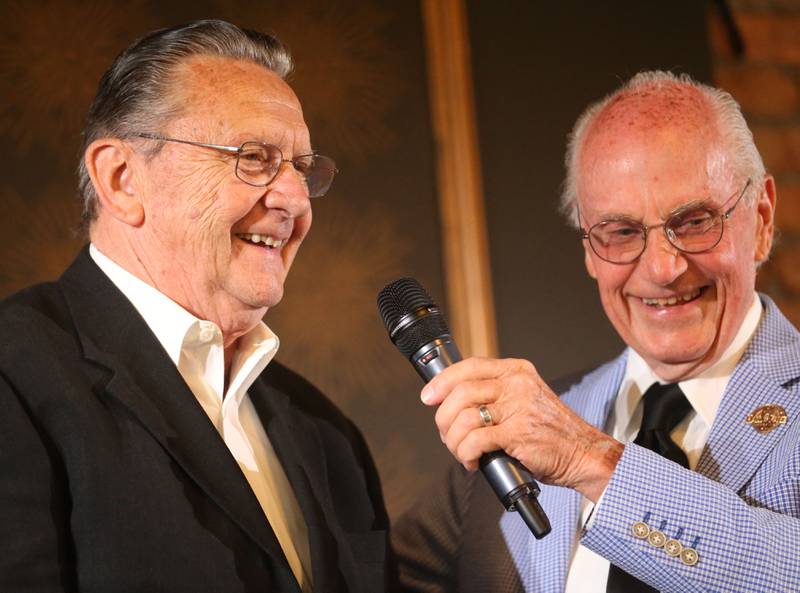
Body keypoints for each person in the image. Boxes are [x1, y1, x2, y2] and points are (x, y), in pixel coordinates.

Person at [0, 20, 393, 593]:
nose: (292, 199)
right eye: (254, 157)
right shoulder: (15, 376)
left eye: (302, 168)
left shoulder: (328, 434)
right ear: (121, 179)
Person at [394, 70, 799, 593]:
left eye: (695, 222)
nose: (661, 268)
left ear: (761, 218)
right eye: (621, 232)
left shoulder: (561, 437)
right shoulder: (513, 442)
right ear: (589, 249)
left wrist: (592, 461)